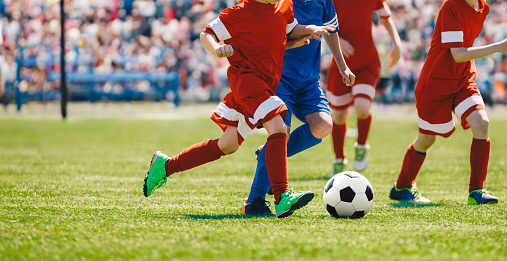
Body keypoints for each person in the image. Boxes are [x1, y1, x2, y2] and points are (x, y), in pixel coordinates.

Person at [142, 0, 335, 218]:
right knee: (279, 127)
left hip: (263, 84)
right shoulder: (240, 12)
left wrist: (310, 30)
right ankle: (282, 197)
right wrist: (217, 48)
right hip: (247, 82)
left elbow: (289, 31)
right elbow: (207, 34)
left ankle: (165, 166)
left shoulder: (283, 6)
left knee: (228, 144)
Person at [388, 0, 507, 204]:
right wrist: (499, 47)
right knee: (427, 140)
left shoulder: (483, 8)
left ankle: (476, 191)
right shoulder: (451, 7)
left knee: (481, 123)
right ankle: (402, 187)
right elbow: (459, 54)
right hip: (436, 84)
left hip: (462, 80)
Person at [240, 0, 356, 216]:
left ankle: (268, 154)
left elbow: (331, 32)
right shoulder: (280, 2)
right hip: (279, 77)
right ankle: (254, 200)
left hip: (308, 82)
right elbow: (272, 36)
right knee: (280, 134)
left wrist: (343, 66)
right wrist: (302, 36)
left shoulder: (324, 2)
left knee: (323, 126)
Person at [326, 0, 402, 176]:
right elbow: (321, 24)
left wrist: (397, 43)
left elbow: (386, 16)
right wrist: (338, 41)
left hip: (367, 62)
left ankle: (361, 145)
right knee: (338, 116)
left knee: (362, 107)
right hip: (341, 63)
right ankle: (339, 159)